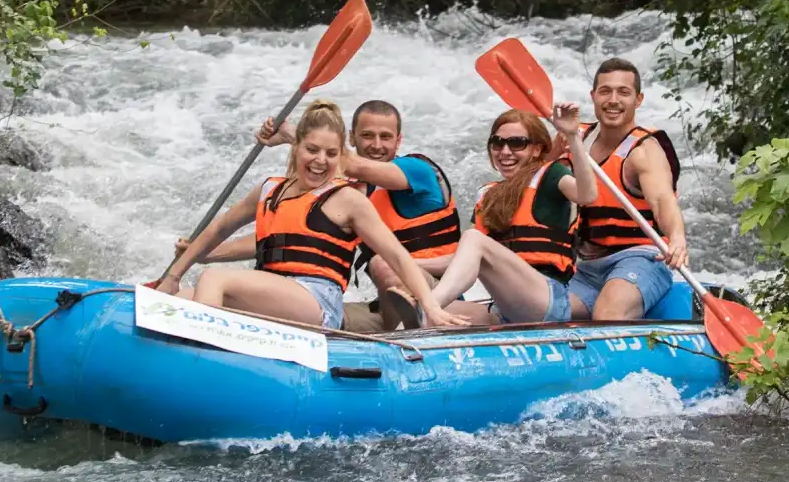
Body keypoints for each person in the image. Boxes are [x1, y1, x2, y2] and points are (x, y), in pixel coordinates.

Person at [155, 100, 471, 330]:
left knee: (214, 281)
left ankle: (203, 362)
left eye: (331, 154)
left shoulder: (394, 178)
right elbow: (247, 235)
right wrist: (183, 268)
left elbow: (398, 258)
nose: (321, 160)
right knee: (185, 295)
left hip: (338, 295)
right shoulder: (272, 189)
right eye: (367, 136)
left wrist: (290, 132)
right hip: (281, 289)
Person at [382, 103, 598, 328]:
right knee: (429, 312)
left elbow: (588, 194)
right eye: (497, 143)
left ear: (536, 149)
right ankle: (401, 339)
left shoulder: (552, 175)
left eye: (517, 143)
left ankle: (429, 309)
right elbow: (467, 259)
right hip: (505, 308)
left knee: (470, 245)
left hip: (546, 300)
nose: (505, 151)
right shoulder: (488, 194)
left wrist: (573, 137)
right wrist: (406, 262)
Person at [256, 99, 463, 331]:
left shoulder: (418, 170)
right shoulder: (344, 195)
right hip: (389, 307)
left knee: (383, 265)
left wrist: (291, 134)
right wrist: (210, 253)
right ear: (352, 139)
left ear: (398, 141)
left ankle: (415, 328)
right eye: (367, 136)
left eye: (385, 137)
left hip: (439, 293)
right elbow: (287, 239)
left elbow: (353, 164)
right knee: (318, 311)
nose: (376, 145)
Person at [550, 58, 688, 321]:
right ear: (593, 96)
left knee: (608, 314)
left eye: (623, 92)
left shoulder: (643, 150)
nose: (613, 100)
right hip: (586, 267)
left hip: (640, 259)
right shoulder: (573, 136)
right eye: (605, 91)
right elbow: (534, 176)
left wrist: (677, 237)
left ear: (638, 99)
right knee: (545, 312)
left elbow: (662, 200)